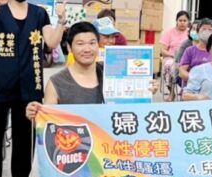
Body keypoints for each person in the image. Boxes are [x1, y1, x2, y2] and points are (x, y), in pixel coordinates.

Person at [0, 0, 66, 177]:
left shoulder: (39, 14)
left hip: (29, 84)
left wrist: (61, 21)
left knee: (25, 140)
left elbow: (52, 42)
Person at [25, 22, 158, 118]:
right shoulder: (57, 83)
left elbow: (132, 108)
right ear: (70, 48)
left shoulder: (112, 72)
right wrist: (35, 114)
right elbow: (46, 122)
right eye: (80, 44)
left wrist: (146, 88)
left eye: (92, 43)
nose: (87, 49)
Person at [179, 18, 212, 85]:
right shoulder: (189, 51)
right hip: (192, 88)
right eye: (204, 29)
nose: (206, 32)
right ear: (198, 32)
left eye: (210, 30)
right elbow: (182, 72)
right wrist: (197, 79)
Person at [161, 10, 191, 93]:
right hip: (172, 57)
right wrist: (173, 55)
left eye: (184, 21)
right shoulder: (169, 32)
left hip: (187, 58)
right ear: (176, 21)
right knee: (169, 66)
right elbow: (163, 50)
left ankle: (186, 90)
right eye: (180, 20)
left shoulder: (191, 33)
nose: (182, 23)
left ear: (188, 22)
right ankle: (171, 92)